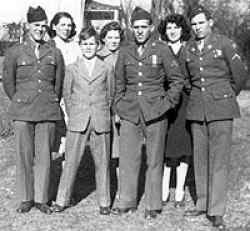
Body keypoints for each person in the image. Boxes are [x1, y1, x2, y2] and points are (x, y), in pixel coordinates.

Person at [111, 7, 185, 219]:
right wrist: (119, 105)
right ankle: (126, 201)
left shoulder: (161, 49)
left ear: (151, 28)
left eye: (144, 27)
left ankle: (153, 204)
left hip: (155, 111)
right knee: (128, 158)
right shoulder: (125, 51)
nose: (140, 31)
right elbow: (119, 83)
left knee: (154, 158)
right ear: (131, 28)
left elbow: (176, 80)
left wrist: (167, 103)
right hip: (130, 111)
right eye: (136, 28)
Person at [183, 6, 248, 230]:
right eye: (193, 24)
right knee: (200, 158)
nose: (197, 27)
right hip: (197, 110)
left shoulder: (225, 43)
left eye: (201, 22)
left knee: (219, 161)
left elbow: (239, 74)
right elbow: (185, 78)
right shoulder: (188, 48)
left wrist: (225, 95)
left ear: (210, 22)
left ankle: (217, 210)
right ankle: (202, 202)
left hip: (221, 110)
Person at [2, 6, 65, 214]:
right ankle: (26, 198)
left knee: (44, 156)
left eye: (42, 25)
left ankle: (41, 199)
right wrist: (20, 100)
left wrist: (49, 100)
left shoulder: (54, 52)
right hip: (22, 111)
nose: (40, 29)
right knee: (24, 155)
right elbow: (8, 83)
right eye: (36, 25)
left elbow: (58, 83)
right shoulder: (14, 52)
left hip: (46, 110)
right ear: (28, 26)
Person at [52, 26, 112, 215]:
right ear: (80, 45)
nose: (88, 47)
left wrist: (101, 111)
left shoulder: (106, 67)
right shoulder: (72, 68)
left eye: (92, 44)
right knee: (70, 162)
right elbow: (67, 95)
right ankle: (62, 200)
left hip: (100, 120)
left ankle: (104, 202)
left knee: (102, 163)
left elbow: (111, 94)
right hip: (78, 120)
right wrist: (75, 113)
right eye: (84, 44)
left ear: (98, 45)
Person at [158, 14, 192, 208]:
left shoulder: (188, 49)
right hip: (165, 102)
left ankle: (179, 190)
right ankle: (164, 189)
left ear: (182, 30)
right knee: (166, 144)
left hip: (185, 103)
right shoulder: (160, 49)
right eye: (169, 27)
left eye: (176, 28)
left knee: (184, 145)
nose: (172, 31)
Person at [49, 12, 81, 156]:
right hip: (54, 96)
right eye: (63, 25)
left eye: (69, 25)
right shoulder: (49, 46)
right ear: (54, 26)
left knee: (70, 138)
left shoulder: (76, 47)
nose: (66, 28)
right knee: (54, 140)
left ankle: (67, 174)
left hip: (73, 97)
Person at [98, 21, 124, 193]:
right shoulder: (98, 56)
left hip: (121, 107)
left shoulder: (125, 55)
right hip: (102, 107)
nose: (114, 41)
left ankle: (122, 187)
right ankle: (105, 188)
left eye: (117, 37)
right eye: (110, 37)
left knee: (120, 149)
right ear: (103, 39)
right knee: (104, 150)